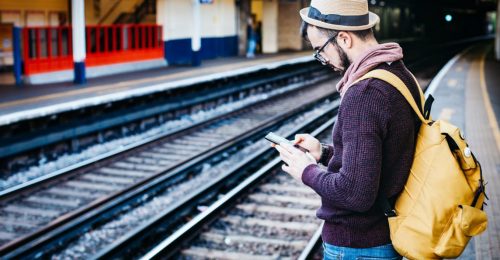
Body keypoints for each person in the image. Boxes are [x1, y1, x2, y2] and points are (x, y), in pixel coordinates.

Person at [272, 0, 423, 259]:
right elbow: (378, 160)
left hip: (358, 246)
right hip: (383, 236)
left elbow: (354, 193)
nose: (322, 59)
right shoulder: (398, 73)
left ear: (344, 38)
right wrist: (323, 152)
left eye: (320, 50)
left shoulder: (364, 93)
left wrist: (305, 171)